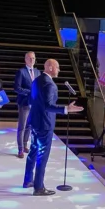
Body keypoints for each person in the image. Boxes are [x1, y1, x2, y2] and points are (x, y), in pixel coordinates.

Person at [24, 59, 83, 195]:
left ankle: (28, 180)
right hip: (44, 124)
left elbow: (31, 100)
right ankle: (39, 187)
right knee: (42, 155)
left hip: (34, 121)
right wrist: (66, 109)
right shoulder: (50, 84)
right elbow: (48, 106)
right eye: (57, 67)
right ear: (50, 67)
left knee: (33, 151)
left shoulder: (36, 81)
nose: (59, 70)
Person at [14, 51, 39, 159]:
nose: (31, 60)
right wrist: (30, 92)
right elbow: (17, 88)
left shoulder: (38, 72)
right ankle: (20, 149)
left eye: (33, 58)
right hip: (24, 103)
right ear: (25, 60)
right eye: (29, 58)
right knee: (22, 126)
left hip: (34, 104)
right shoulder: (21, 72)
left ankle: (24, 145)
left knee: (29, 126)